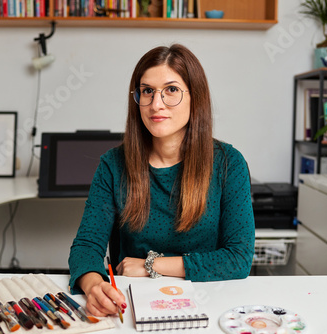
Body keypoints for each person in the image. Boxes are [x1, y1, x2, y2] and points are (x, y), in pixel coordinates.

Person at [68, 44, 255, 318]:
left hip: (210, 302)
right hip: (134, 303)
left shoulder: (228, 162)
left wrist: (151, 265)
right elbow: (86, 245)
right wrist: (94, 284)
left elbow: (238, 259)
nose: (157, 104)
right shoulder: (113, 165)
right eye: (147, 91)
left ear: (195, 97)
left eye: (171, 90)